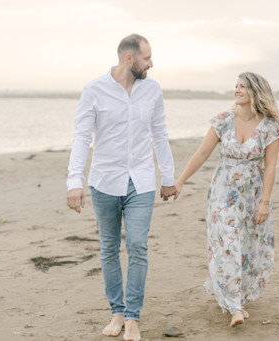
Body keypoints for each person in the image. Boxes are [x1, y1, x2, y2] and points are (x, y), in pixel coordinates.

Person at [66, 34, 176, 341]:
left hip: (140, 181)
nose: (151, 63)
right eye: (147, 58)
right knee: (109, 249)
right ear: (129, 59)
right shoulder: (94, 90)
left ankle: (132, 318)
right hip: (104, 181)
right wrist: (74, 182)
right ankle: (116, 312)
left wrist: (168, 177)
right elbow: (81, 138)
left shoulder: (152, 89)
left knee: (138, 247)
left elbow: (160, 134)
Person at [174, 72, 279, 328]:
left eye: (243, 86)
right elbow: (202, 153)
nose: (237, 90)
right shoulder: (223, 121)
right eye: (236, 86)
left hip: (253, 195)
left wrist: (265, 202)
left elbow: (270, 168)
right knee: (227, 244)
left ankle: (239, 298)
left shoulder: (269, 127)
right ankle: (234, 306)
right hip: (223, 195)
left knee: (248, 247)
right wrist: (180, 181)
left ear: (255, 92)